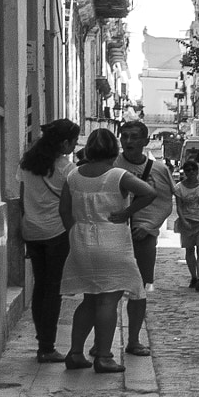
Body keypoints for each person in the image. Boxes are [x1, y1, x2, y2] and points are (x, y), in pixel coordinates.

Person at [58, 128, 159, 373]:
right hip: (112, 239)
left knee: (89, 298)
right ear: (113, 151)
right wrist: (126, 213)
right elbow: (150, 192)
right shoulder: (118, 175)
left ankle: (75, 353)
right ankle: (103, 356)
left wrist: (77, 230)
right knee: (108, 299)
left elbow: (63, 211)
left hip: (82, 239)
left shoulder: (73, 176)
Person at [18, 119, 81, 362]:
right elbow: (71, 204)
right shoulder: (67, 169)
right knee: (53, 289)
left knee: (40, 286)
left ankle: (42, 339)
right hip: (56, 233)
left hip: (31, 231)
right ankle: (46, 347)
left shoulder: (27, 163)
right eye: (73, 141)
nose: (74, 146)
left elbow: (22, 199)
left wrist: (22, 229)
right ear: (64, 142)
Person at [118, 120, 175, 357]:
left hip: (143, 237)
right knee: (107, 290)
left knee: (138, 289)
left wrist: (149, 226)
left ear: (144, 141)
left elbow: (165, 202)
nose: (128, 141)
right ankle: (102, 341)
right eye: (124, 136)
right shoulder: (110, 166)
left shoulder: (159, 169)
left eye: (133, 137)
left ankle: (133, 339)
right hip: (113, 234)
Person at [174, 158, 199, 291]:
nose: (190, 172)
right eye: (187, 170)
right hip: (187, 221)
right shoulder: (179, 187)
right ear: (184, 172)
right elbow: (179, 206)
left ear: (197, 171)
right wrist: (183, 220)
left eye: (193, 170)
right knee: (189, 249)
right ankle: (194, 276)